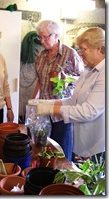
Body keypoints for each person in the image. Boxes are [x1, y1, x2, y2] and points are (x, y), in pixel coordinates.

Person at [34, 27, 105, 163]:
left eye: (83, 49)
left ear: (98, 48)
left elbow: (89, 111)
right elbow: (74, 100)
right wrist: (49, 103)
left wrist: (50, 109)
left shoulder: (104, 74)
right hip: (80, 140)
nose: (80, 53)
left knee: (87, 182)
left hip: (95, 146)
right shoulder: (88, 70)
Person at [31, 20, 84, 161]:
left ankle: (62, 180)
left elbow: (83, 78)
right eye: (40, 37)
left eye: (45, 37)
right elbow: (39, 81)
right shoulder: (41, 56)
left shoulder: (70, 54)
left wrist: (67, 80)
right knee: (44, 150)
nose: (42, 41)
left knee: (61, 152)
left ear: (56, 35)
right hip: (44, 111)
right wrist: (33, 101)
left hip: (62, 113)